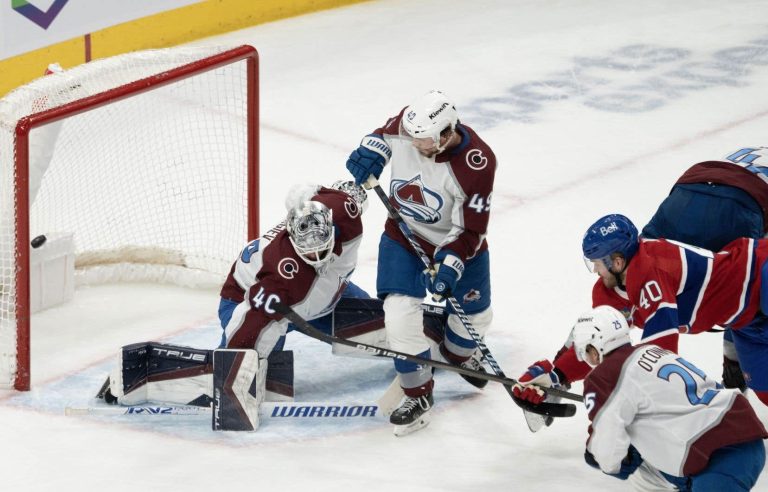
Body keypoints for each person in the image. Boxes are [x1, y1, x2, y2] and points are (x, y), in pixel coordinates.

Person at [514, 147, 768, 408]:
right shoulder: (614, 283)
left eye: (597, 264)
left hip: (745, 236)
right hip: (746, 308)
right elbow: (599, 337)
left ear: (617, 261)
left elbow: (662, 355)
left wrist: (632, 401)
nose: (594, 272)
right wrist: (557, 374)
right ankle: (735, 354)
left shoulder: (651, 273)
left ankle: (733, 355)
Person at [345, 90, 497, 436]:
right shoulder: (410, 126)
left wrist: (450, 264)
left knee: (473, 325)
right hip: (404, 236)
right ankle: (417, 395)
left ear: (447, 133)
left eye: (425, 140)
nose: (416, 145)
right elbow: (383, 136)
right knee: (398, 315)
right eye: (413, 137)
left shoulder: (477, 163)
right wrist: (372, 151)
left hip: (457, 245)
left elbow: (470, 229)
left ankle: (457, 354)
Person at [572, 305, 767, 491]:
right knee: (645, 469)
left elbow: (607, 448)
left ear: (595, 347)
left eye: (586, 353)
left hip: (719, 456)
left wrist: (598, 456)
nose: (590, 361)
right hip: (739, 439)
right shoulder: (652, 350)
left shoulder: (605, 375)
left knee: (635, 463)